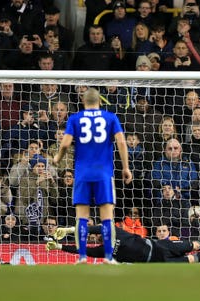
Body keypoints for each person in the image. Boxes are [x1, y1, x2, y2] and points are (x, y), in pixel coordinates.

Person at [52, 88, 132, 264]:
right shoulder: (110, 117)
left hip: (82, 173)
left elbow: (65, 143)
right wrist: (126, 167)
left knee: (81, 215)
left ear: (83, 102)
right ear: (100, 102)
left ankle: (81, 257)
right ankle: (109, 257)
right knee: (106, 217)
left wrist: (57, 157)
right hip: (104, 173)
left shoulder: (75, 118)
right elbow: (121, 142)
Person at [47, 225, 200, 264]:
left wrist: (70, 230)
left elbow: (93, 228)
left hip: (160, 246)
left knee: (193, 245)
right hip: (157, 263)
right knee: (192, 260)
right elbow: (83, 251)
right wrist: (60, 247)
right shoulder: (104, 252)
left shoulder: (114, 232)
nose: (95, 238)